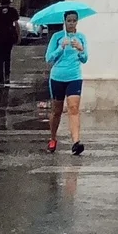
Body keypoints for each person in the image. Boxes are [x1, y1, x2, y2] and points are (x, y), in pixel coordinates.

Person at [45, 12, 87, 155]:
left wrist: (81, 49)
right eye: (69, 20)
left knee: (73, 108)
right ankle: (53, 137)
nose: (71, 23)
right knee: (56, 111)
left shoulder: (80, 37)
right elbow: (48, 58)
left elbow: (85, 58)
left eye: (74, 20)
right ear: (64, 21)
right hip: (57, 77)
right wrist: (60, 47)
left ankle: (76, 141)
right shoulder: (57, 37)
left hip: (74, 76)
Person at [0, 0, 21, 88]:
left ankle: (1, 79)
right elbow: (16, 24)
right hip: (9, 37)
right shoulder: (13, 11)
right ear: (9, 1)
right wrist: (19, 36)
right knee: (7, 57)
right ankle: (7, 76)